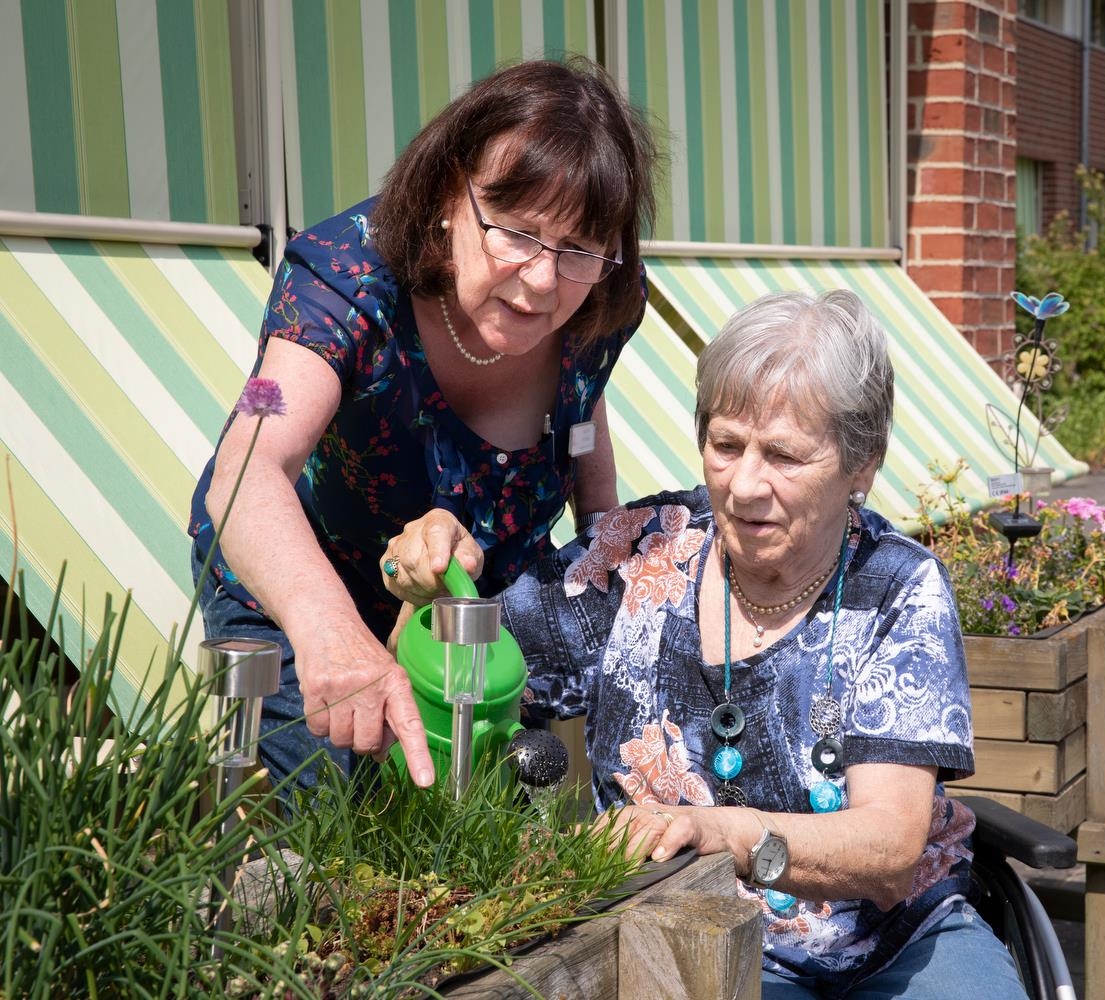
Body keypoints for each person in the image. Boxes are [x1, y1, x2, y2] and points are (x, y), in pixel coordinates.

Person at [382, 290, 1027, 998]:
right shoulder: (634, 558)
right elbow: (454, 674)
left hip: (894, 943)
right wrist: (426, 589)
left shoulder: (896, 586)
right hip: (680, 933)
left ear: (861, 464)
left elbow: (889, 849)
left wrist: (722, 832)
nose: (746, 484)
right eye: (726, 445)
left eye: (783, 455)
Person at [187, 58, 659, 791]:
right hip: (307, 599)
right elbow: (247, 465)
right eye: (518, 233)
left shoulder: (602, 292)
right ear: (449, 193)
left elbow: (583, 404)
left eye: (576, 248)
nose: (542, 280)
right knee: (316, 830)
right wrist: (333, 633)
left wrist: (602, 525)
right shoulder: (344, 276)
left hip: (472, 616)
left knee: (466, 831)